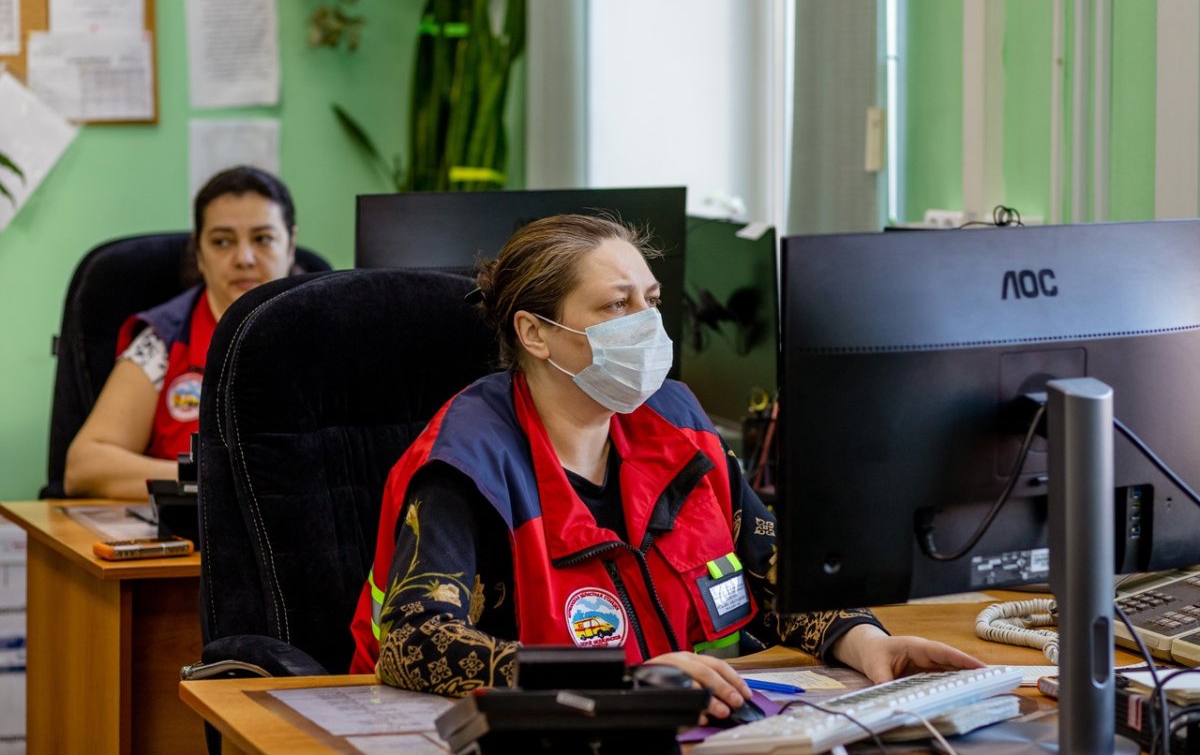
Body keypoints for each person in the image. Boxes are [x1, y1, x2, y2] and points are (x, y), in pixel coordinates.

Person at [349, 214, 983, 721]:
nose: (647, 324)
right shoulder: (468, 464)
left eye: (650, 300)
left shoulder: (679, 426)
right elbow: (413, 642)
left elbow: (776, 580)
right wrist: (621, 680)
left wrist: (868, 643)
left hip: (698, 725)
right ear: (535, 334)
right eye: (615, 305)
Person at [63, 166, 297, 500]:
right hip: (194, 527)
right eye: (222, 242)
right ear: (199, 254)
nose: (244, 258)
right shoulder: (162, 340)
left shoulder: (330, 332)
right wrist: (210, 479)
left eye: (262, 239)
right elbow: (84, 466)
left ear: (291, 246)